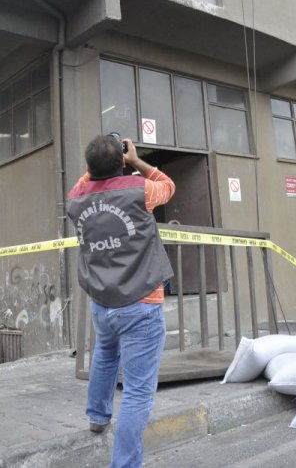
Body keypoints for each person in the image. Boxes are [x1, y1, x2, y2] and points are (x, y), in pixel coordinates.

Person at [66, 134, 175, 468]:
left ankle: (97, 416)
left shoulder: (75, 198)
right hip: (141, 301)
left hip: (102, 301)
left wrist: (97, 165)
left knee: (105, 353)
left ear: (88, 167)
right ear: (122, 162)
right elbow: (168, 185)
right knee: (138, 393)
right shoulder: (139, 190)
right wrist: (136, 160)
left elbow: (86, 179)